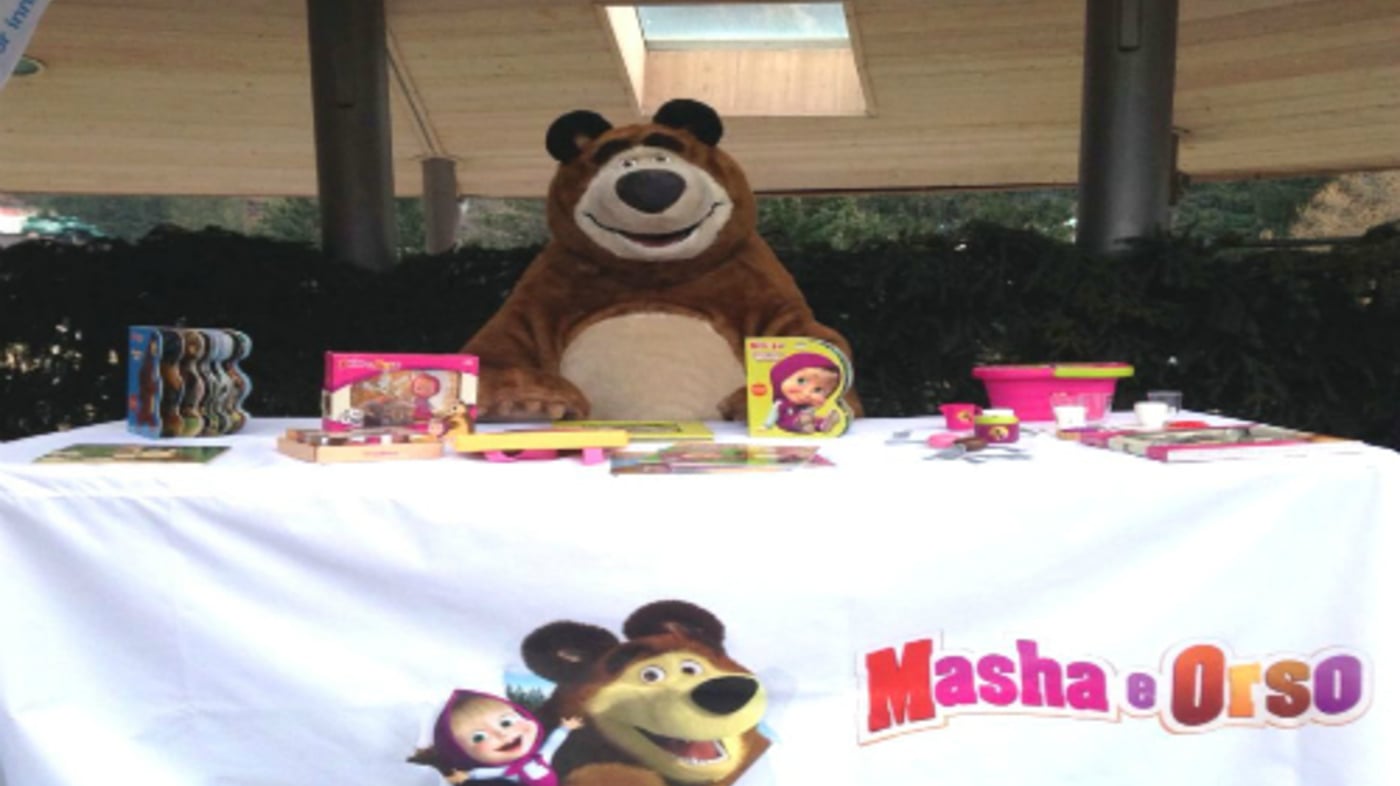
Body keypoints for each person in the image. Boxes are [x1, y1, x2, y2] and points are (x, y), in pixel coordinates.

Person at [409, 690, 582, 786]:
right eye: (479, 737)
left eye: (506, 722)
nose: (502, 734)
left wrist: (564, 728)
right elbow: (482, 774)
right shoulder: (509, 773)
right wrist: (466, 776)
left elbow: (553, 743)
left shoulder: (541, 757)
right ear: (462, 754)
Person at [763, 351, 843, 434]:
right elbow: (773, 414)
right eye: (801, 381)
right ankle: (803, 425)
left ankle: (824, 424)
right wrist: (767, 425)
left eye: (818, 390)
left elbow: (811, 412)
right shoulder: (781, 404)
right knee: (797, 420)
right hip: (786, 421)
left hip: (805, 418)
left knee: (813, 419)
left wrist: (814, 407)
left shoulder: (806, 406)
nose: (806, 393)